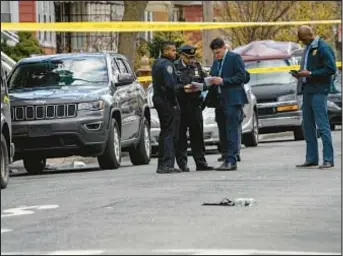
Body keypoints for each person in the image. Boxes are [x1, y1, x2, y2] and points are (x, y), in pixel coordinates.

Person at [293, 26, 336, 169]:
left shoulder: (323, 47)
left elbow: (331, 69)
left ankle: (328, 159)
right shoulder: (308, 48)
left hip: (319, 90)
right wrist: (299, 74)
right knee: (308, 125)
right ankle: (311, 158)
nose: (302, 42)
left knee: (322, 125)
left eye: (303, 39)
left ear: (308, 36)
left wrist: (310, 73)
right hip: (307, 90)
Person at [208, 38, 248, 171]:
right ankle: (226, 156)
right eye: (214, 53)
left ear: (224, 48)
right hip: (220, 100)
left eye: (218, 52)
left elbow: (241, 76)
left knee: (232, 130)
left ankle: (232, 160)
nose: (216, 55)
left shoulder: (234, 58)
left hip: (233, 99)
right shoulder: (216, 62)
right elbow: (213, 73)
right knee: (223, 131)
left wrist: (224, 81)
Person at [174, 45, 214, 172]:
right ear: (182, 55)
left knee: (197, 134)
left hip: (195, 104)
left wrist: (202, 86)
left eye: (193, 57)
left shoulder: (197, 66)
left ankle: (201, 162)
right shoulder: (175, 67)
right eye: (188, 57)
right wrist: (183, 88)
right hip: (181, 105)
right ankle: (182, 164)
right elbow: (171, 85)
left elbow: (206, 82)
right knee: (181, 136)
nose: (191, 60)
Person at [151, 41, 182, 174]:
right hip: (166, 101)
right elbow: (170, 85)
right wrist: (175, 101)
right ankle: (167, 164)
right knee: (169, 132)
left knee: (165, 132)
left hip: (159, 100)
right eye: (173, 51)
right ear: (166, 51)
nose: (175, 53)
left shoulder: (157, 63)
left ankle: (162, 163)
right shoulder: (167, 65)